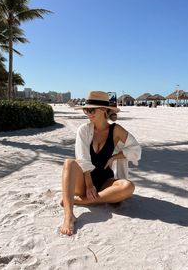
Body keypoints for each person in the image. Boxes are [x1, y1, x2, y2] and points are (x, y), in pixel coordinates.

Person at [60, 91, 141, 235]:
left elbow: (136, 149)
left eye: (91, 110)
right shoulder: (84, 130)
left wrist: (114, 157)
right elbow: (82, 158)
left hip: (105, 182)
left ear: (104, 110)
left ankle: (80, 201)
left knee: (128, 186)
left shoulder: (116, 130)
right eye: (86, 110)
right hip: (84, 182)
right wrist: (89, 184)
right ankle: (68, 215)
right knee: (69, 163)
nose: (88, 113)